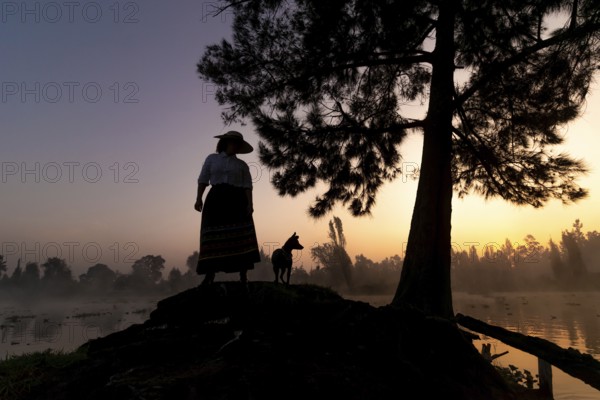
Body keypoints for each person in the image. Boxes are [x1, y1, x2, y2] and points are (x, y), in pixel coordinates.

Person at [194, 130, 261, 286]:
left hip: (237, 201)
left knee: (241, 236)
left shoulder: (242, 165)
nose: (235, 146)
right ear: (225, 143)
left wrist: (250, 204)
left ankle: (243, 276)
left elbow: (247, 186)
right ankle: (209, 276)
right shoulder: (212, 159)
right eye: (233, 142)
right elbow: (203, 179)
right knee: (211, 235)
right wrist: (199, 198)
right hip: (215, 199)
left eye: (238, 144)